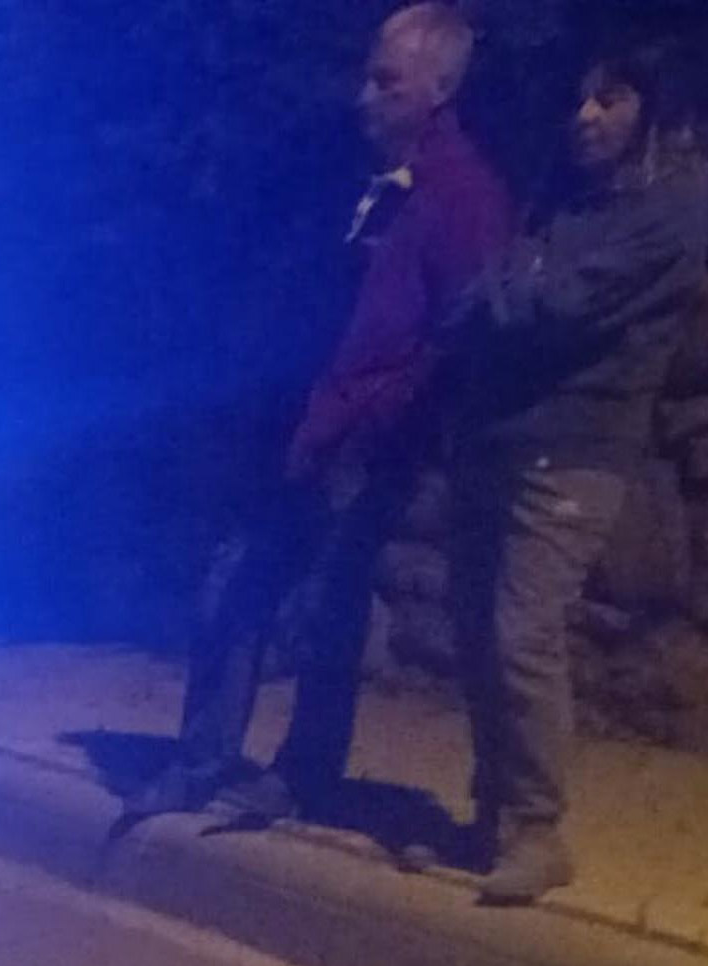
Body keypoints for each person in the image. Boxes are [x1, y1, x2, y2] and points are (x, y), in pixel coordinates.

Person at [116, 5, 512, 835]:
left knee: (328, 602)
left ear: (438, 89)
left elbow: (455, 332)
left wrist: (379, 414)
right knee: (241, 581)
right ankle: (205, 758)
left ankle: (301, 774)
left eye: (386, 82)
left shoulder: (461, 196)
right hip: (302, 422)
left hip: (365, 439)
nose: (363, 96)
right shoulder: (369, 181)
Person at [448, 40, 708, 906]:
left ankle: (536, 830)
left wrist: (504, 293)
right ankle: (494, 810)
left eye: (609, 100)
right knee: (475, 628)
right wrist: (507, 291)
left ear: (650, 108)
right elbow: (497, 289)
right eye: (578, 100)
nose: (585, 117)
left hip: (580, 448)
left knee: (522, 632)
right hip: (502, 435)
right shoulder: (561, 197)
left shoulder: (676, 209)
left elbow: (558, 304)